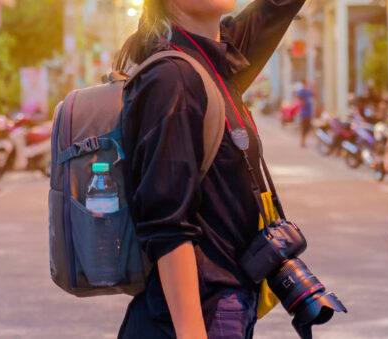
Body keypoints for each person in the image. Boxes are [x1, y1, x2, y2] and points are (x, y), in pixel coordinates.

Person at [113, 0, 304, 338]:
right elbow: (168, 227)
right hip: (199, 316)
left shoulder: (216, 60)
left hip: (228, 305)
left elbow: (277, 6)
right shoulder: (172, 79)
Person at [296, 80, 314, 148]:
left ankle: (304, 140)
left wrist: (312, 87)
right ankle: (302, 141)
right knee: (304, 128)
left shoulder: (309, 91)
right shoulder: (302, 91)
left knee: (308, 127)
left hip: (309, 113)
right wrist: (301, 103)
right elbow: (298, 98)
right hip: (304, 113)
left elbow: (314, 95)